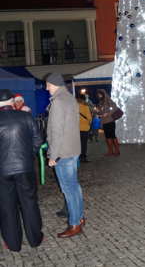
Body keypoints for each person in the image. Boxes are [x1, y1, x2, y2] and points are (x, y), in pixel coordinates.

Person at [0, 89, 44, 252]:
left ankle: (13, 243)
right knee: (29, 203)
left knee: (6, 206)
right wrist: (27, 155)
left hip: (2, 171)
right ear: (12, 101)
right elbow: (38, 140)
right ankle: (35, 239)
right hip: (24, 168)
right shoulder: (25, 116)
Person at [46, 73, 84, 238]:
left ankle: (75, 223)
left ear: (53, 84)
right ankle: (79, 218)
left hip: (63, 153)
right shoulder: (69, 97)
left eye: (47, 85)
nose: (46, 88)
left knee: (69, 189)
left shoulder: (58, 102)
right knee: (74, 187)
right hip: (72, 149)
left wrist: (53, 155)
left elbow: (56, 131)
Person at [95, 89, 120, 156]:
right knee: (107, 136)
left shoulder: (108, 100)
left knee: (112, 135)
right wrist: (94, 111)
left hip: (110, 120)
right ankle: (111, 150)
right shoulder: (100, 102)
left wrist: (108, 113)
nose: (99, 96)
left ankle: (117, 151)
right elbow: (100, 112)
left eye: (100, 94)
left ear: (103, 94)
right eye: (98, 95)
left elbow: (115, 108)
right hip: (104, 121)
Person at [78, 93, 92, 162]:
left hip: (77, 128)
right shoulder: (85, 106)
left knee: (78, 143)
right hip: (84, 127)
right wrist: (89, 123)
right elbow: (89, 117)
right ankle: (83, 157)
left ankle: (78, 156)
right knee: (84, 143)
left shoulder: (75, 106)